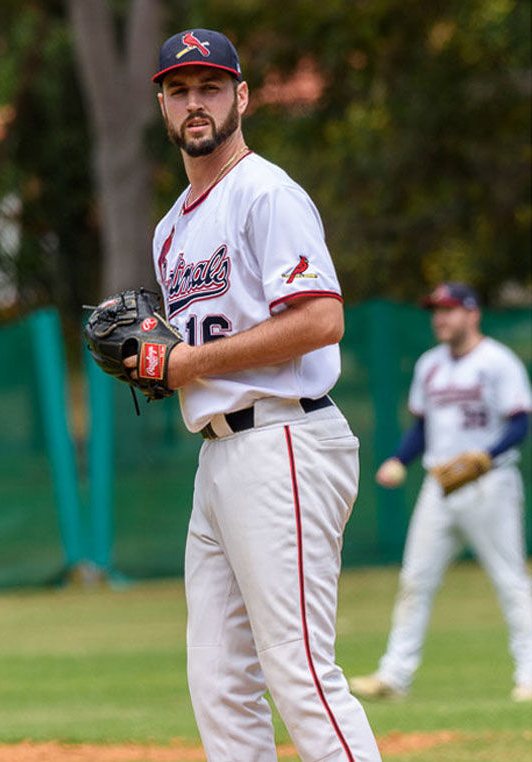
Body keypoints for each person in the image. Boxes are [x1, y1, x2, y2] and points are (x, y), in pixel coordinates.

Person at [127, 28, 382, 762]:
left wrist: (190, 363)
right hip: (219, 456)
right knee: (218, 682)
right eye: (179, 90)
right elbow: (187, 354)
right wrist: (157, 363)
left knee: (298, 672)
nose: (194, 103)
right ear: (163, 106)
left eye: (210, 87)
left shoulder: (265, 192)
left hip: (283, 441)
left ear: (241, 97)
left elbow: (320, 319)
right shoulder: (170, 228)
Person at [349, 282, 532, 703]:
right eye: (436, 311)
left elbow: (520, 420)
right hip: (440, 485)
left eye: (449, 310)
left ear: (473, 313)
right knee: (415, 580)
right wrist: (400, 459)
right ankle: (394, 676)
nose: (440, 318)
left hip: (490, 484)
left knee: (510, 580)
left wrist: (487, 455)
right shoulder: (430, 364)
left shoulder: (497, 361)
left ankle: (528, 674)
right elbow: (423, 426)